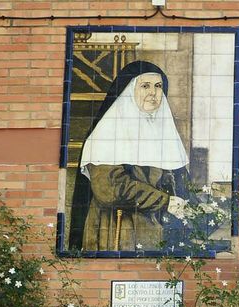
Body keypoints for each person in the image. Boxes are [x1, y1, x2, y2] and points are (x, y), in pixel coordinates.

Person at [70, 61, 194, 253]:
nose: (153, 93)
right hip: (118, 230)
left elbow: (180, 184)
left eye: (158, 86)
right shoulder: (107, 131)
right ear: (129, 91)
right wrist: (164, 201)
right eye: (145, 86)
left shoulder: (165, 133)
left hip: (161, 233)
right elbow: (110, 189)